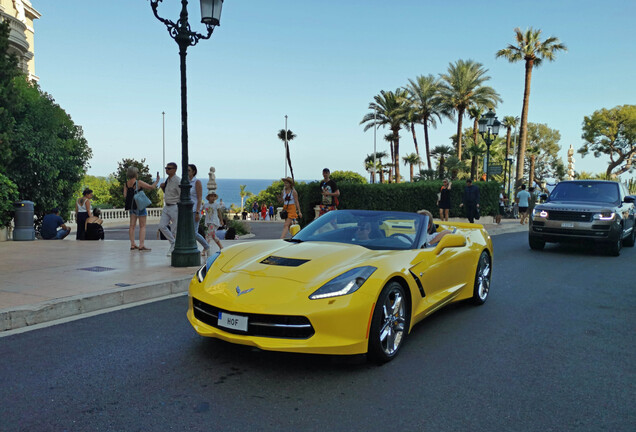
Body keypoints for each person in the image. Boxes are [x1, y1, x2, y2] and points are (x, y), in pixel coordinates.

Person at [124, 166, 159, 251]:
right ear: (135, 173)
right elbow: (151, 187)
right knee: (142, 226)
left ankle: (132, 244)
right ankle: (141, 245)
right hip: (140, 206)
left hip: (132, 206)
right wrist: (157, 180)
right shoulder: (138, 182)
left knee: (132, 226)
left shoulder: (126, 183)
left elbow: (125, 195)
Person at [188, 164, 210, 255]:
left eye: (188, 170)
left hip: (194, 210)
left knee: (194, 232)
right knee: (189, 231)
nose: (187, 172)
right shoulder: (187, 182)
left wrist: (197, 211)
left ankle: (206, 246)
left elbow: (199, 198)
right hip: (187, 210)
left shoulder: (197, 182)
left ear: (193, 172)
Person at [159, 162, 180, 256]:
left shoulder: (177, 181)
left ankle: (174, 246)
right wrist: (163, 188)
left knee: (174, 229)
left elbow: (181, 194)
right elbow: (167, 192)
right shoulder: (168, 180)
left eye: (169, 168)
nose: (167, 170)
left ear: (175, 170)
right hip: (167, 205)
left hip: (174, 206)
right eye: (166, 168)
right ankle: (173, 243)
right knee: (162, 226)